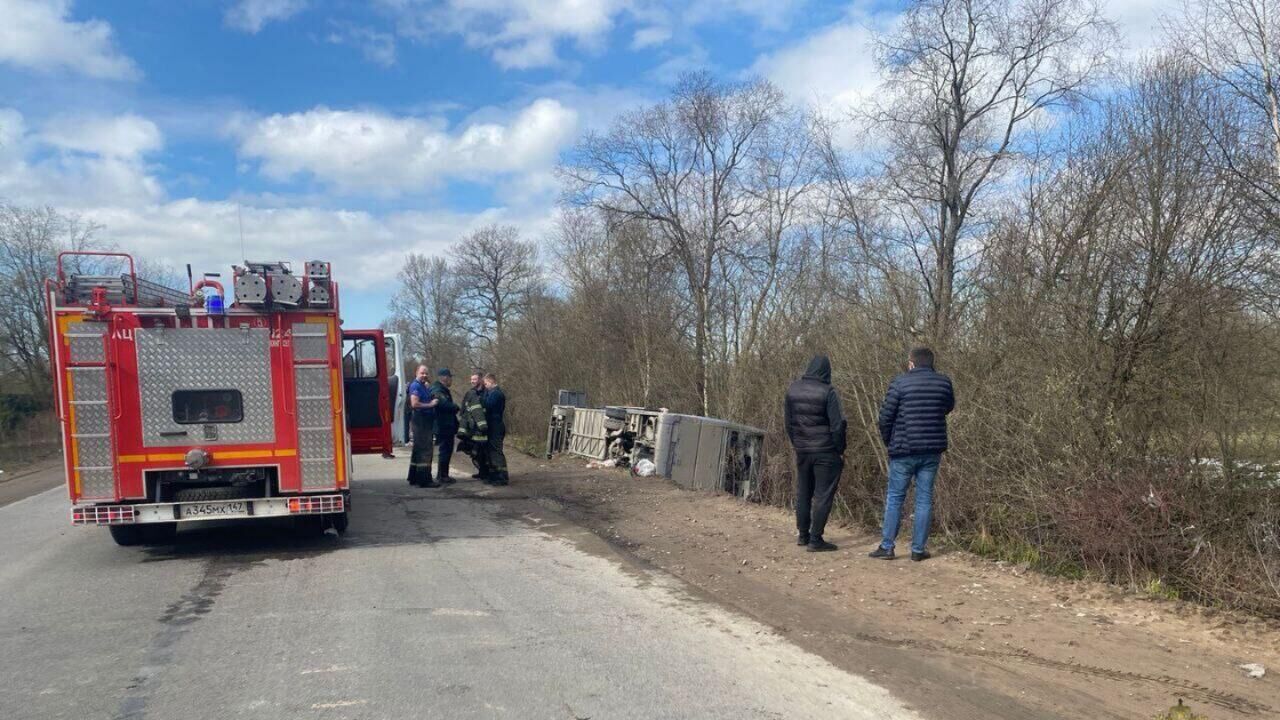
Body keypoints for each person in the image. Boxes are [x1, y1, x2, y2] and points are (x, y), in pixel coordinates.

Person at [870, 346, 955, 562]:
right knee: (924, 498)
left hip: (904, 449)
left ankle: (887, 546)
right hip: (932, 449)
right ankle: (918, 549)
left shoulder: (900, 382)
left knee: (896, 497)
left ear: (911, 363)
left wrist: (889, 441)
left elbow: (885, 417)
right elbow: (947, 407)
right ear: (931, 362)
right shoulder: (944, 382)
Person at [783, 355, 847, 552]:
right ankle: (816, 539)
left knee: (803, 492)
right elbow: (838, 425)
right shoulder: (828, 392)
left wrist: (797, 443)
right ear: (826, 371)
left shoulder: (792, 390)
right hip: (825, 451)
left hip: (802, 449)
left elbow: (788, 423)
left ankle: (803, 535)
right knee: (822, 495)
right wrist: (840, 449)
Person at [406, 365, 441, 488]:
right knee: (425, 450)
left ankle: (414, 477)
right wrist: (431, 404)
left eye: (426, 373)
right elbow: (414, 403)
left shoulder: (423, 386)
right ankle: (425, 480)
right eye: (422, 373)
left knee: (418, 449)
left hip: (424, 420)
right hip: (421, 421)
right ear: (417, 373)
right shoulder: (415, 386)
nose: (425, 375)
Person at [428, 368, 459, 484]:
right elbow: (443, 404)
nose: (451, 380)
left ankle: (443, 474)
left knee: (446, 449)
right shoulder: (438, 389)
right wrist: (455, 407)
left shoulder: (441, 389)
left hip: (445, 424)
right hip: (443, 425)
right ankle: (442, 475)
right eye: (450, 377)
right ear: (445, 378)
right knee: (445, 449)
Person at [458, 371, 490, 481]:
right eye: (471, 379)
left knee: (484, 451)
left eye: (475, 379)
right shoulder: (470, 393)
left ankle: (486, 473)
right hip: (473, 428)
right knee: (476, 452)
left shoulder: (487, 392)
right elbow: (464, 411)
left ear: (481, 380)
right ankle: (481, 472)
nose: (472, 381)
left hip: (485, 427)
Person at [481, 373, 509, 486]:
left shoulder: (496, 394)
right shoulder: (492, 393)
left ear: (491, 382)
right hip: (492, 425)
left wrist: (481, 399)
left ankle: (502, 477)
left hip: (496, 425)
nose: (485, 386)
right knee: (491, 452)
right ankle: (494, 476)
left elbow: (487, 405)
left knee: (496, 452)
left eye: (486, 384)